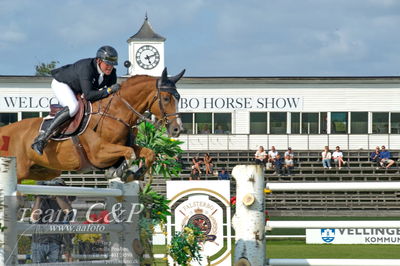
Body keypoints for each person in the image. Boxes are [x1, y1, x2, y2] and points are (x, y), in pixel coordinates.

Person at [31, 46, 121, 155]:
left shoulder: (111, 73)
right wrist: (109, 90)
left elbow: (110, 98)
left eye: (112, 65)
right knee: (73, 107)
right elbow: (89, 95)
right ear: (98, 60)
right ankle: (42, 138)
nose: (110, 68)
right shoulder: (86, 68)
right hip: (62, 84)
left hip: (79, 88)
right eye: (107, 64)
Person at [30, 178, 74, 263]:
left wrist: (57, 195)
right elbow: (33, 219)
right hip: (38, 241)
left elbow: (69, 213)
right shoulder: (39, 202)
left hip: (56, 242)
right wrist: (39, 196)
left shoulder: (63, 201)